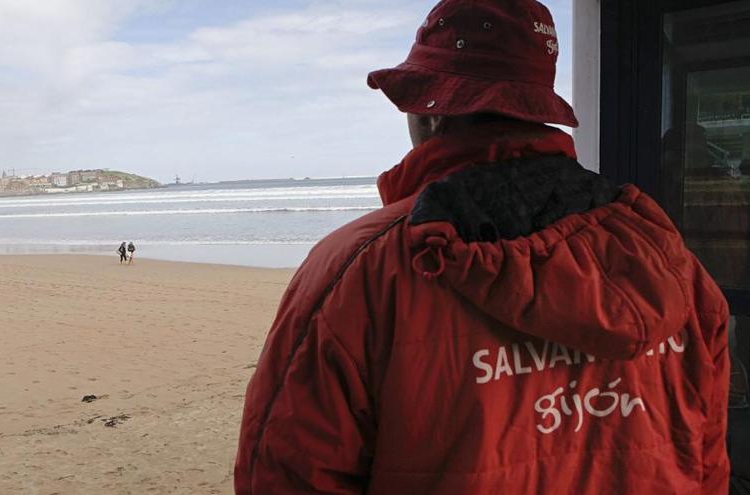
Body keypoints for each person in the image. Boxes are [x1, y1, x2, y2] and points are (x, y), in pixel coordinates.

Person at [235, 1, 730, 494]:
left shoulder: (361, 270)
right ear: (537, 110)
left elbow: (284, 475)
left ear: (429, 114)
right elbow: (707, 461)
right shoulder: (670, 262)